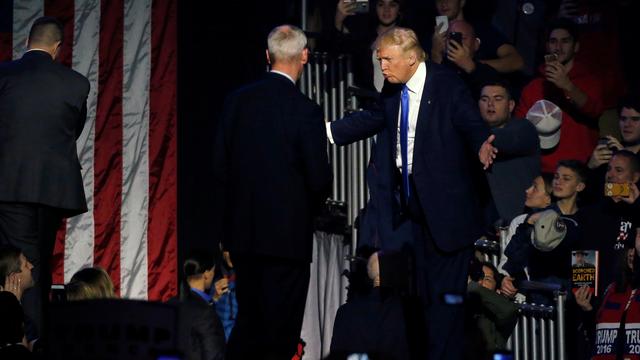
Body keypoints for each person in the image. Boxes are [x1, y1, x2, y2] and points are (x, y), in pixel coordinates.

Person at [326, 26, 497, 359]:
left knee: (444, 302)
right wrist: (326, 132)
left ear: (412, 57)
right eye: (379, 60)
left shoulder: (446, 84)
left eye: (387, 59)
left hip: (448, 214)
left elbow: (468, 120)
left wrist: (481, 145)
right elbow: (372, 117)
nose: (383, 67)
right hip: (411, 212)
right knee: (418, 299)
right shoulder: (392, 91)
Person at [213, 25, 332, 360]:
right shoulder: (306, 111)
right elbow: (319, 179)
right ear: (305, 56)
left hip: (245, 239)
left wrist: (228, 232)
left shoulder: (235, 102)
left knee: (249, 325)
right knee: (281, 333)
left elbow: (219, 169)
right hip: (289, 243)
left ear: (267, 56)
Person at [0, 16, 90, 333]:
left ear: (28, 42)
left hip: (10, 186)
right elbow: (72, 131)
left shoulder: (5, 74)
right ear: (58, 48)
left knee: (22, 263)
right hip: (53, 189)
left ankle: (27, 337)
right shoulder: (77, 83)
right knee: (38, 259)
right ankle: (37, 337)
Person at [515, 18, 604, 174]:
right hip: (542, 172)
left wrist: (567, 86)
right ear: (547, 46)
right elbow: (521, 128)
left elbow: (594, 110)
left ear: (576, 46)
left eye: (565, 41)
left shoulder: (589, 81)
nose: (558, 47)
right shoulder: (534, 86)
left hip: (580, 171)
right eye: (553, 41)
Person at [478, 80, 540, 224]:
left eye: (497, 99)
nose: (490, 104)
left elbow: (503, 140)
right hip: (482, 222)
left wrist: (476, 137)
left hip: (520, 221)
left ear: (511, 105)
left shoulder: (524, 128)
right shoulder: (474, 136)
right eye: (484, 99)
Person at [169, 251, 225, 360]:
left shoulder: (171, 304)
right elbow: (213, 356)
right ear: (207, 274)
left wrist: (213, 300)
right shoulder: (205, 314)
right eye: (213, 271)